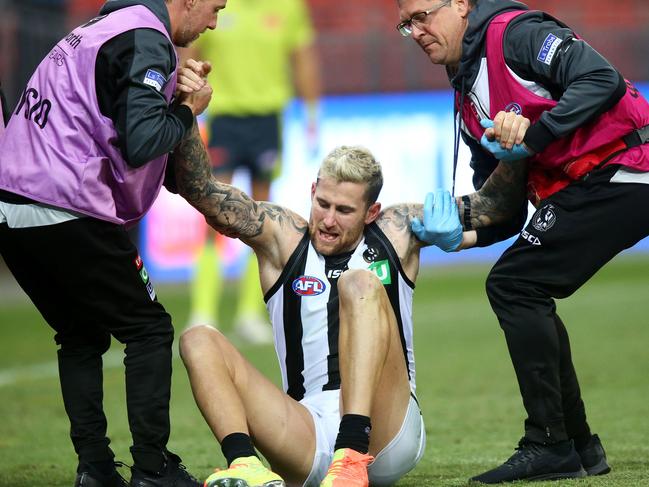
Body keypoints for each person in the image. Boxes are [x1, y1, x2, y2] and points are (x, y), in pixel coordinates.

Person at [396, 0, 649, 483]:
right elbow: (507, 212)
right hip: (597, 181)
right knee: (519, 283)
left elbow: (601, 79)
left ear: (462, 5)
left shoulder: (516, 34)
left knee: (516, 284)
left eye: (423, 15)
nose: (417, 30)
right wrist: (458, 236)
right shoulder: (468, 100)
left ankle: (553, 443)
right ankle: (576, 445)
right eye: (407, 25)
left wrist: (535, 136)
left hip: (630, 162)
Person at [0, 0, 226, 485]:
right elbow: (143, 141)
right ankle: (152, 467)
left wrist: (168, 94)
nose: (213, 22)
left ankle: (96, 469)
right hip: (67, 202)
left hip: (10, 205)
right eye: (214, 7)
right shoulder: (147, 39)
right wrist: (189, 108)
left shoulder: (105, 25)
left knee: (80, 335)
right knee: (148, 329)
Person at [171, 134, 430, 486]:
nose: (328, 220)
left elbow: (496, 211)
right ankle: (246, 464)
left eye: (344, 211)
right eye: (323, 203)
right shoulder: (283, 238)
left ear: (371, 212)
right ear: (312, 191)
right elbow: (201, 191)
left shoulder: (397, 232)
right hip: (309, 429)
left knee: (359, 283)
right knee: (197, 340)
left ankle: (352, 452)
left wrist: (512, 142)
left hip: (385, 430)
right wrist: (186, 111)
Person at [183, 0, 322, 344]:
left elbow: (302, 58)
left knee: (259, 219)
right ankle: (202, 312)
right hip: (224, 118)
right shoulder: (217, 6)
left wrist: (312, 113)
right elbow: (192, 52)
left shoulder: (288, 7)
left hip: (266, 119)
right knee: (213, 215)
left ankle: (249, 313)